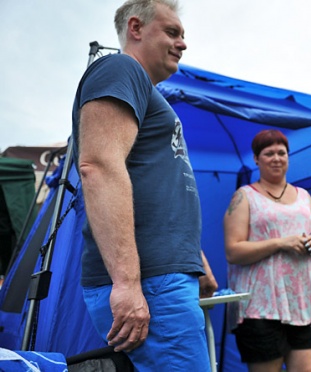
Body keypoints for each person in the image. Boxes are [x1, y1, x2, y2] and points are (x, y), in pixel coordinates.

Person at [71, 1, 217, 370]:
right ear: (135, 28)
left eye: (182, 35)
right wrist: (126, 284)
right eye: (172, 32)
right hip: (151, 284)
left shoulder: (147, 94)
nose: (182, 44)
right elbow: (99, 167)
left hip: (162, 279)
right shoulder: (121, 68)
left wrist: (194, 263)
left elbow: (156, 188)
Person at [223, 129, 311, 372]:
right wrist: (280, 243)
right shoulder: (244, 196)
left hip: (304, 303)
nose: (276, 158)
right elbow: (233, 251)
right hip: (260, 307)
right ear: (256, 159)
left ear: (288, 157)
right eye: (268, 153)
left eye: (281, 153)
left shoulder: (303, 196)